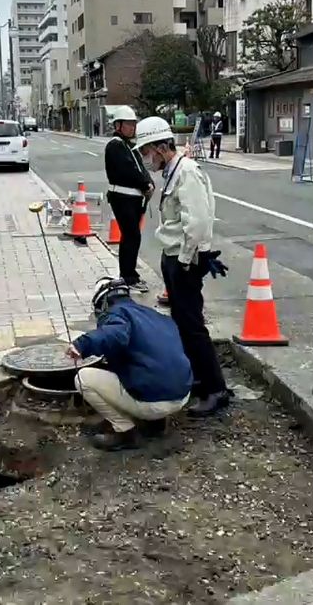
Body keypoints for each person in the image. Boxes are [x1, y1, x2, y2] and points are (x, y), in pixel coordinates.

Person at [132, 116, 232, 417]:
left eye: (147, 151)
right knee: (183, 323)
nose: (147, 159)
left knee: (192, 325)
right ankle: (200, 378)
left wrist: (188, 261)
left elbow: (198, 223)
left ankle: (216, 389)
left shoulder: (187, 172)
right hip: (174, 256)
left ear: (162, 147)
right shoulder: (174, 172)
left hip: (183, 259)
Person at [67, 277, 193, 451]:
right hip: (182, 394)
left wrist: (82, 344)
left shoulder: (117, 314)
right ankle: (156, 424)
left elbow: (115, 333)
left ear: (102, 302)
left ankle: (124, 432)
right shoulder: (156, 316)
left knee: (83, 378)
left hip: (153, 402)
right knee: (149, 366)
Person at [103, 106, 154, 292]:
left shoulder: (130, 146)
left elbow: (141, 168)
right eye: (128, 124)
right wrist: (145, 184)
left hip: (134, 198)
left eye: (134, 124)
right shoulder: (115, 145)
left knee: (133, 236)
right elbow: (128, 170)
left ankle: (129, 275)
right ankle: (128, 277)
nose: (132, 127)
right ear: (118, 125)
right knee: (131, 236)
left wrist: (149, 182)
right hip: (122, 197)